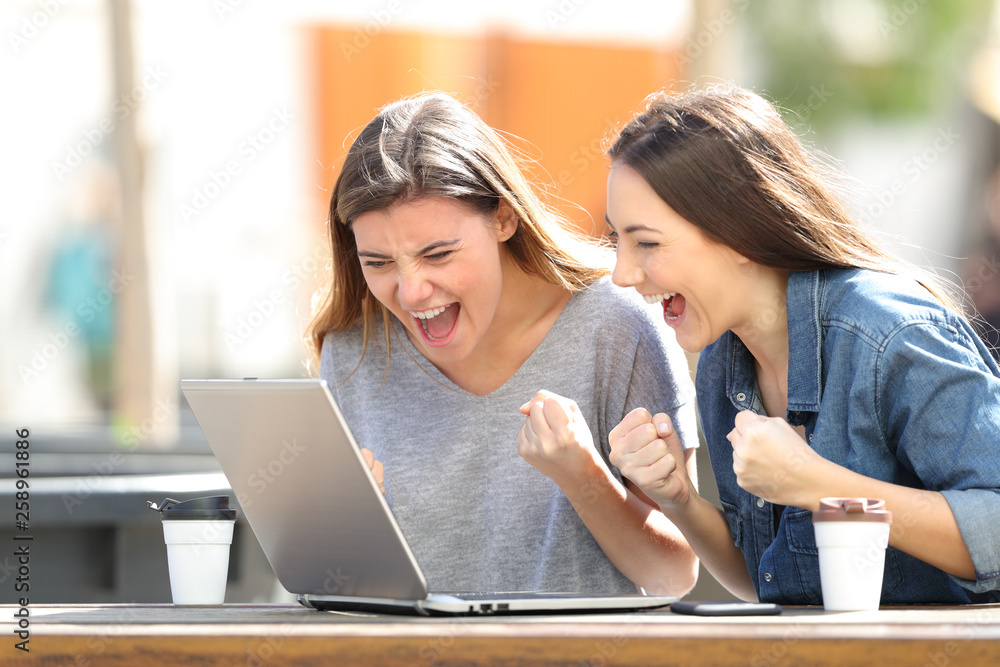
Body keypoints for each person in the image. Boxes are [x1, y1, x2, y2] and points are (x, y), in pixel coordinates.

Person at [604, 84, 1000, 604]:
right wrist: (679, 499)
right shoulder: (724, 360)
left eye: (647, 243)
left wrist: (815, 482)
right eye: (617, 240)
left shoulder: (890, 336)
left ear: (736, 231)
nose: (622, 274)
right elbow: (767, 585)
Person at [305, 92, 699, 596]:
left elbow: (675, 574)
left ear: (504, 219)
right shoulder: (354, 351)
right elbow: (331, 586)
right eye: (378, 262)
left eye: (438, 254)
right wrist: (339, 536)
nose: (410, 292)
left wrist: (584, 477)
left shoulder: (617, 326)